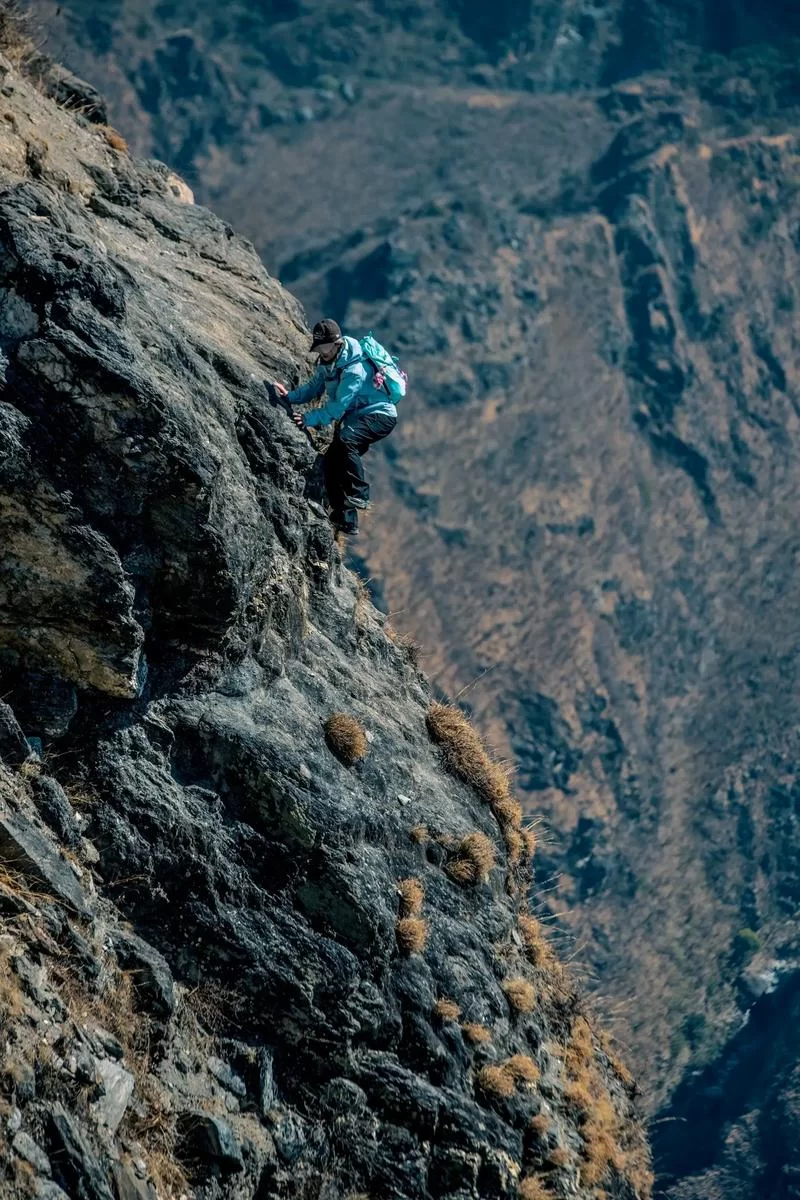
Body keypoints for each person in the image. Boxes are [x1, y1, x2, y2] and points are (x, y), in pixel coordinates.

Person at [272, 319, 397, 536]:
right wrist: (289, 397)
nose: (322, 352)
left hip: (380, 416)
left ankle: (360, 493)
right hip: (358, 417)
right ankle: (346, 519)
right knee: (332, 460)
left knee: (347, 439)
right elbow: (314, 387)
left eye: (325, 348)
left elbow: (337, 409)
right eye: (318, 348)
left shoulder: (354, 370)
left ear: (337, 344)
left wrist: (309, 419)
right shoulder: (329, 363)